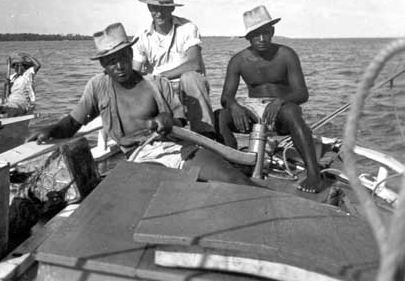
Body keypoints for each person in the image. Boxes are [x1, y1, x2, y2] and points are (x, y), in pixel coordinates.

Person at [27, 22, 254, 185]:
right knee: (162, 188)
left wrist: (168, 120)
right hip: (140, 157)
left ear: (130, 54)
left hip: (178, 148)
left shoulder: (156, 83)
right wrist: (51, 130)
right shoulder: (97, 87)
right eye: (110, 61)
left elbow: (181, 121)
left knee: (236, 182)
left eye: (122, 57)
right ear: (103, 65)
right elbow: (72, 123)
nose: (119, 66)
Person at [217, 5, 324, 193]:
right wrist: (234, 106)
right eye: (256, 35)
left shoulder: (286, 55)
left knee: (291, 111)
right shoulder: (238, 60)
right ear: (248, 37)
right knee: (220, 116)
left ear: (272, 31)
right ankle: (234, 163)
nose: (261, 39)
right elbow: (226, 97)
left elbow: (302, 93)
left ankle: (314, 174)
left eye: (265, 33)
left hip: (282, 111)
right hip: (253, 109)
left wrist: (280, 100)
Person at [132, 0, 215, 137]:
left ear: (172, 8)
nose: (158, 13)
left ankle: (206, 134)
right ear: (149, 8)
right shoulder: (141, 35)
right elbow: (135, 71)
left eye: (164, 9)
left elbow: (194, 63)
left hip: (186, 88)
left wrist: (161, 77)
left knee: (191, 77)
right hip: (159, 89)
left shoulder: (188, 28)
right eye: (154, 8)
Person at [0, 53, 41, 118]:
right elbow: (6, 95)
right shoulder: (11, 77)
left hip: (22, 102)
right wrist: (6, 85)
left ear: (25, 66)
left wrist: (27, 55)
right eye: (17, 66)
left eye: (21, 65)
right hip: (10, 100)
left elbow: (38, 65)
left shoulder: (28, 74)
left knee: (11, 108)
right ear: (14, 67)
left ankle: (5, 113)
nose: (19, 68)